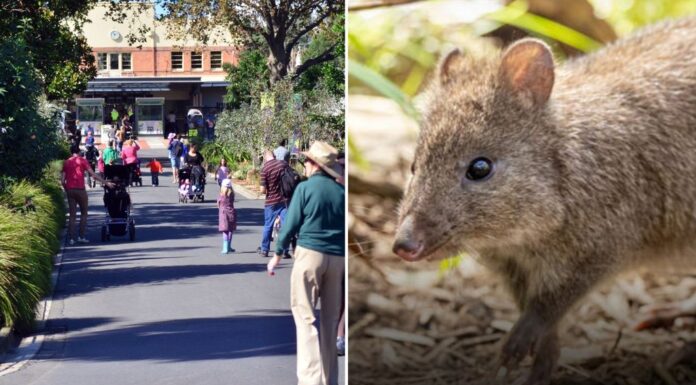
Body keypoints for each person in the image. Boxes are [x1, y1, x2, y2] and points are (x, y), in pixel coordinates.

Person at [267, 141, 345, 385]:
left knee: (305, 318)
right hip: (338, 259)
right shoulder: (342, 192)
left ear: (315, 165)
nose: (305, 165)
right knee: (331, 322)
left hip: (310, 253)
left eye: (308, 162)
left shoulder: (305, 188)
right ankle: (330, 379)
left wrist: (277, 254)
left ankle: (311, 380)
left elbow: (291, 223)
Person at [62, 146, 114, 245]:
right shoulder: (83, 161)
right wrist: (106, 183)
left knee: (72, 215)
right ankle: (81, 236)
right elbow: (93, 175)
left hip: (70, 190)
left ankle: (71, 239)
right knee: (83, 214)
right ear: (78, 152)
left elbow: (62, 180)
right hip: (80, 189)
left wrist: (67, 189)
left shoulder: (66, 162)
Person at [257, 150, 288, 258]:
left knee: (268, 226)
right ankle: (285, 250)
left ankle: (265, 249)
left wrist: (268, 190)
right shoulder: (283, 164)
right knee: (285, 225)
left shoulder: (265, 169)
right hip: (284, 200)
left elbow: (262, 190)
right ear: (274, 156)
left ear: (265, 158)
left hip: (271, 202)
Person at [218, 178, 237, 254]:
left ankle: (225, 247)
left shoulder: (221, 195)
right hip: (231, 212)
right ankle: (229, 246)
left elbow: (218, 204)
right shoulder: (232, 194)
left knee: (225, 230)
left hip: (223, 214)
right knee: (230, 230)